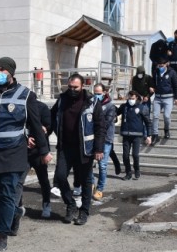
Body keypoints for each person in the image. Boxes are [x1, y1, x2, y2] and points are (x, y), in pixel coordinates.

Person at [0, 57, 51, 252]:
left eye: (2, 69)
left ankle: (1, 236)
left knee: (7, 193)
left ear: (11, 73)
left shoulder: (25, 95)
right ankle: (15, 213)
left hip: (14, 152)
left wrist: (44, 150)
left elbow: (35, 124)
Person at [50, 73, 105, 225]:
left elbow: (100, 126)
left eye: (75, 87)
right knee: (60, 177)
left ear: (82, 87)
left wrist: (99, 149)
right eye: (70, 87)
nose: (72, 90)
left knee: (86, 181)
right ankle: (71, 205)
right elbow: (51, 116)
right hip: (65, 147)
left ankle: (84, 211)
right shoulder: (62, 99)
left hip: (85, 149)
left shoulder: (92, 101)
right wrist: (44, 130)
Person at [17, 99, 54, 221]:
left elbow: (48, 127)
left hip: (39, 152)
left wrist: (40, 135)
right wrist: (26, 138)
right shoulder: (19, 107)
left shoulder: (42, 107)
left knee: (43, 180)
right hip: (24, 151)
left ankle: (46, 204)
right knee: (19, 181)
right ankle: (19, 206)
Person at [117, 90, 152, 180]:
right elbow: (116, 112)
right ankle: (128, 172)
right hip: (126, 135)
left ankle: (136, 169)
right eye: (129, 98)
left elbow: (148, 122)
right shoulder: (124, 107)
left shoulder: (142, 107)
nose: (130, 100)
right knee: (125, 155)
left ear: (136, 98)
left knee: (135, 155)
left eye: (132, 98)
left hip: (137, 135)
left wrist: (149, 135)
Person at [92, 84, 116, 200]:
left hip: (106, 139)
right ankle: (91, 184)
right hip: (92, 138)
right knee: (88, 164)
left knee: (102, 165)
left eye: (99, 93)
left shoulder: (110, 106)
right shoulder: (91, 104)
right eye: (95, 93)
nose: (97, 95)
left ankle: (100, 189)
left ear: (104, 92)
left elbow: (106, 123)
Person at [150, 58, 177, 144]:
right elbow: (153, 82)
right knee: (155, 116)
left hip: (168, 98)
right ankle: (155, 135)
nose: (160, 67)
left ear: (166, 64)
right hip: (157, 98)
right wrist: (152, 87)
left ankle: (166, 130)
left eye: (162, 66)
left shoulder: (172, 72)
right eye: (159, 66)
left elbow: (176, 86)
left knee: (166, 116)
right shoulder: (156, 72)